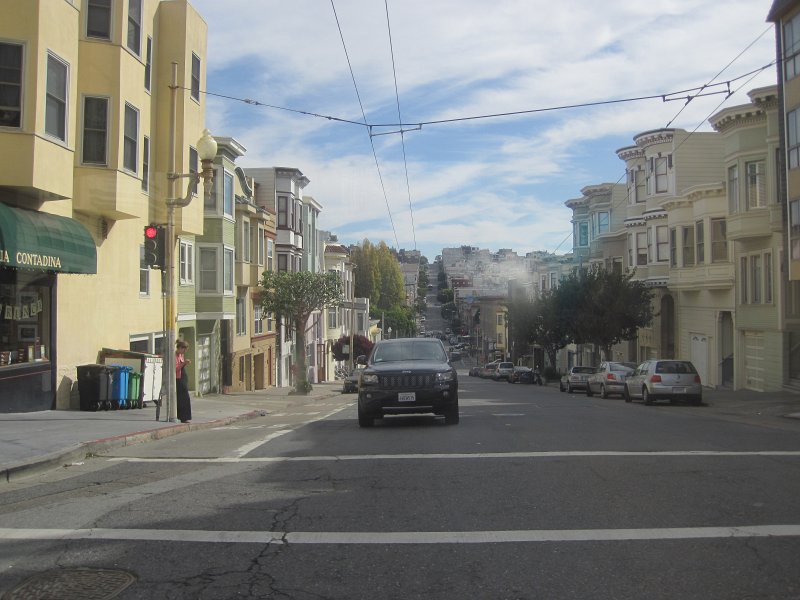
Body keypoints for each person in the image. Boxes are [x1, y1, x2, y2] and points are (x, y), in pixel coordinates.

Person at [175, 340, 192, 423]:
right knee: (182, 398)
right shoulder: (174, 356)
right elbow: (175, 368)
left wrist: (185, 363)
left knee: (185, 398)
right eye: (183, 349)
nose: (184, 351)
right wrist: (184, 363)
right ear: (179, 348)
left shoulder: (181, 355)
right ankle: (182, 417)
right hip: (178, 378)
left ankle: (185, 416)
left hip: (183, 377)